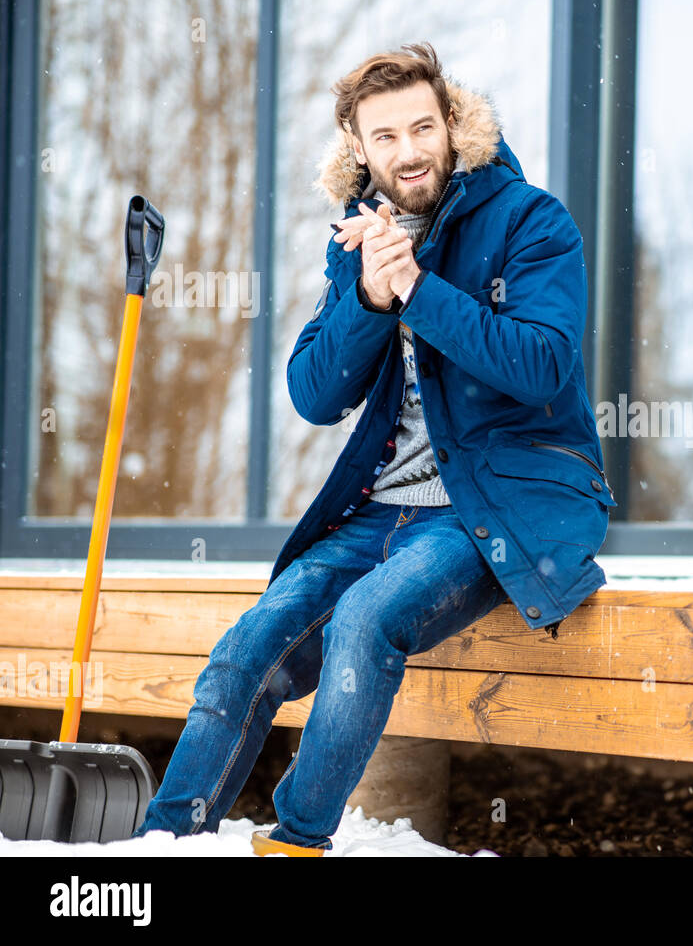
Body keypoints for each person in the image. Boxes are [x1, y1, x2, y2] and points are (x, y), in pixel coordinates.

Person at [131, 42, 615, 855]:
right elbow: (314, 394)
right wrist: (368, 295)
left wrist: (423, 291)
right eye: (385, 137)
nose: (409, 151)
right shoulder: (358, 239)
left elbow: (540, 366)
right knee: (249, 645)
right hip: (382, 510)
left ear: (452, 125)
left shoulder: (531, 220)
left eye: (423, 128)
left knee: (363, 620)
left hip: (495, 502)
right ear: (358, 146)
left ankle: (297, 838)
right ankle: (164, 843)